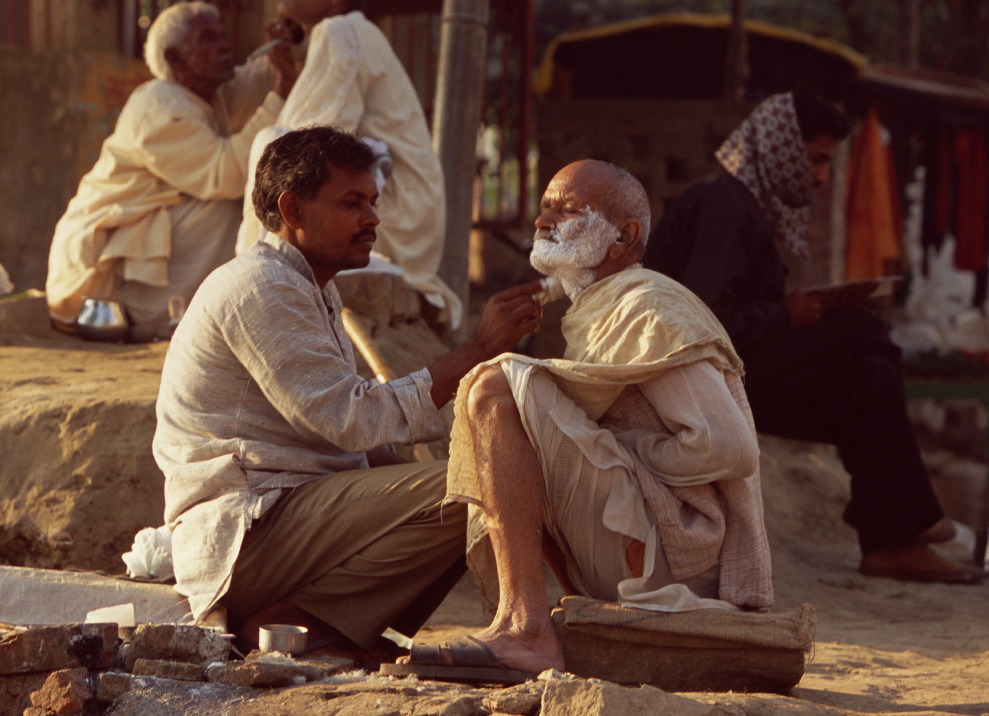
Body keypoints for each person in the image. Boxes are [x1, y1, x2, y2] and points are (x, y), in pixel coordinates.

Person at [152, 126, 543, 663]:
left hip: (290, 516)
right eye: (352, 202)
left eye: (373, 201)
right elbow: (352, 421)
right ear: (293, 209)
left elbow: (354, 444)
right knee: (476, 489)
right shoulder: (260, 287)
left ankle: (323, 625)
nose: (372, 219)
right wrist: (477, 347)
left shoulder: (312, 285)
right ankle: (294, 622)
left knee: (480, 475)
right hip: (247, 530)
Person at [386, 159, 774, 683]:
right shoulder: (597, 308)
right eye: (545, 206)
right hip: (636, 545)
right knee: (507, 413)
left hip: (676, 559)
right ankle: (527, 618)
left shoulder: (649, 303)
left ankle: (526, 629)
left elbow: (730, 448)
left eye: (567, 209)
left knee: (496, 385)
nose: (544, 220)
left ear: (624, 236)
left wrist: (626, 446)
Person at [643, 89, 984, 584]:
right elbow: (704, 323)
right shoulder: (726, 206)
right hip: (703, 386)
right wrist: (786, 314)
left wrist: (791, 310)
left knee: (868, 379)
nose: (822, 178)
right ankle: (905, 514)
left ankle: (890, 544)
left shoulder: (747, 205)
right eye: (817, 160)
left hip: (737, 375)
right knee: (866, 330)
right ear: (782, 148)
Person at [46, 2, 297, 339]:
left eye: (222, 35)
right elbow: (229, 174)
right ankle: (180, 314)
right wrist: (282, 89)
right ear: (175, 59)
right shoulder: (158, 106)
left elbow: (253, 80)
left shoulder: (208, 96)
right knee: (233, 201)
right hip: (101, 278)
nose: (223, 45)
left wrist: (285, 42)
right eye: (207, 39)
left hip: (143, 244)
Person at [234, 0, 463, 329]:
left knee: (268, 142)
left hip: (395, 214)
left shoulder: (340, 31)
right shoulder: (344, 32)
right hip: (407, 216)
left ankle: (256, 282)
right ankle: (257, 275)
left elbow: (303, 147)